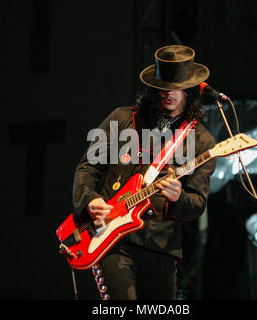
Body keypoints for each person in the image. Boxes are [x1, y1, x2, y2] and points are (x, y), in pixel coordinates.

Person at [72, 45, 217, 300]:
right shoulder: (122, 119)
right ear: (154, 87)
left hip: (161, 245)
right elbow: (88, 166)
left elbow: (197, 203)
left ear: (189, 91)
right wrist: (90, 199)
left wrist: (179, 197)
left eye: (177, 86)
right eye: (164, 85)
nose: (169, 92)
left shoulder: (201, 141)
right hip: (113, 238)